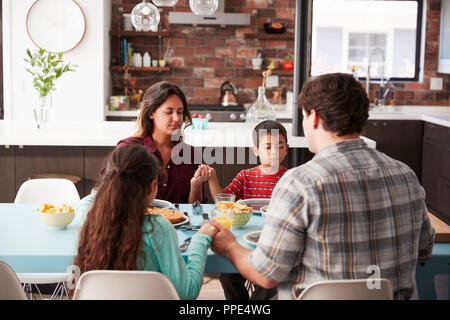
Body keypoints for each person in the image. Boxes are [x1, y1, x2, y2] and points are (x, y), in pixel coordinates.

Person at [209, 73, 435, 300]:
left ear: (314, 118)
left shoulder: (299, 183)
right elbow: (424, 250)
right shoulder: (406, 175)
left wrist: (229, 246)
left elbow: (266, 274)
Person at [73, 144, 217, 300]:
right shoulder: (159, 228)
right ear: (152, 186)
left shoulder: (89, 217)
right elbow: (186, 294)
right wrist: (201, 238)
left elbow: (86, 202)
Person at [200, 120, 289, 300]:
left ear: (286, 149)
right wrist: (212, 178)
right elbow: (223, 203)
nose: (274, 152)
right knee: (227, 274)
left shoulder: (290, 178)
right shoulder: (245, 176)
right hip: (242, 243)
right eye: (267, 147)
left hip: (273, 245)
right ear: (255, 150)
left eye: (279, 146)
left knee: (271, 280)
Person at [117, 81, 209, 204]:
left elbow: (195, 209)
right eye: (169, 112)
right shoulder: (128, 149)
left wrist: (196, 185)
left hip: (180, 222)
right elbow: (115, 198)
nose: (176, 118)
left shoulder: (192, 154)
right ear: (151, 113)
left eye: (180, 112)